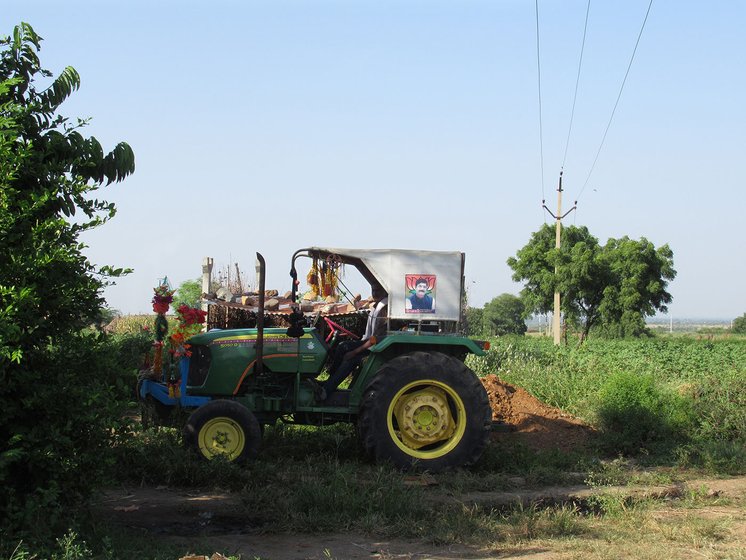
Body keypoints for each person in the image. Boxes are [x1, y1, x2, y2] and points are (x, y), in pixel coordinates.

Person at [318, 285, 388, 400]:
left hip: (377, 348)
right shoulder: (376, 307)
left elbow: (375, 338)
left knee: (351, 359)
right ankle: (330, 381)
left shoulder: (385, 308)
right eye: (373, 290)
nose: (375, 293)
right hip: (371, 344)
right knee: (342, 346)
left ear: (385, 292)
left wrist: (355, 352)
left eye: (378, 291)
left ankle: (327, 389)